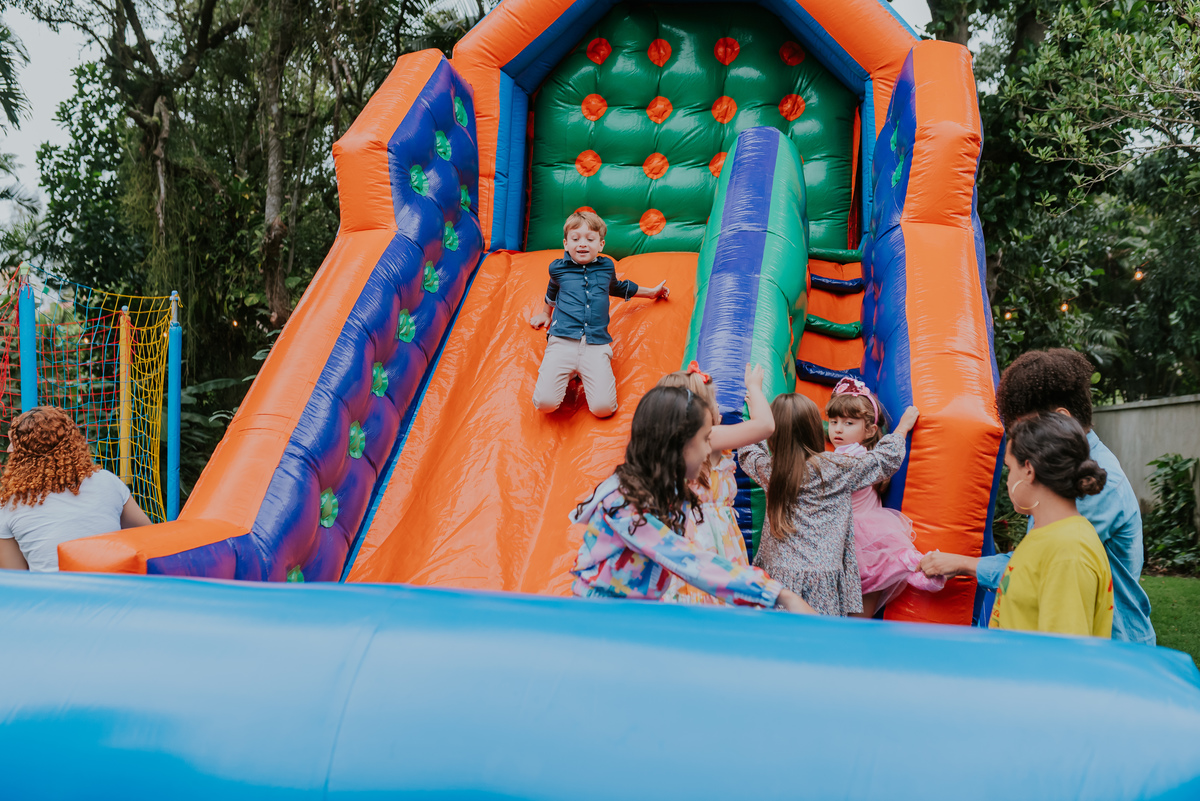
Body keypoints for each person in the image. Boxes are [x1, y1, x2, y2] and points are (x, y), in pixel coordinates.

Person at [919, 348, 1154, 644]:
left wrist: (965, 564)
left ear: (1059, 420)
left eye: (1025, 428)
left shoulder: (1080, 513)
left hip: (1114, 651)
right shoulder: (1057, 487)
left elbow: (1062, 642)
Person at [570, 385, 813, 613]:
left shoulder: (669, 491)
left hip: (636, 612)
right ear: (680, 444)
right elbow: (689, 560)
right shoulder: (627, 504)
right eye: (705, 438)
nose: (710, 449)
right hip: (601, 617)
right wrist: (778, 593)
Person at [740, 392, 919, 615]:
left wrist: (757, 411)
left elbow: (747, 450)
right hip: (821, 577)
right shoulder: (836, 468)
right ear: (816, 429)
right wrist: (902, 428)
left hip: (777, 576)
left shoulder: (769, 469)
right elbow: (886, 458)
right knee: (819, 639)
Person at [529, 210, 669, 417]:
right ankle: (568, 373)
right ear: (566, 244)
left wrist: (651, 293)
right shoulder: (557, 269)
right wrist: (545, 313)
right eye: (575, 239)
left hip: (595, 343)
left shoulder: (605, 267)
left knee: (604, 409)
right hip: (562, 340)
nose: (582, 244)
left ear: (601, 244)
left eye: (590, 239)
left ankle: (583, 372)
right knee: (544, 403)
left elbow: (616, 287)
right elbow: (552, 290)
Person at [657, 361, 775, 606]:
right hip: (711, 536)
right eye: (714, 401)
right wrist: (754, 388)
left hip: (684, 533)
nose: (719, 406)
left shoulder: (666, 443)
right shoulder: (709, 437)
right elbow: (766, 426)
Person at [986, 412, 1113, 636]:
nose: (1008, 479)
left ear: (1028, 470)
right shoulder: (1046, 535)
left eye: (1009, 468)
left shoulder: (1069, 551)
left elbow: (1063, 658)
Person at [826, 377, 944, 617]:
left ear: (869, 429)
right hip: (857, 542)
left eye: (848, 423)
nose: (838, 428)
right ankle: (914, 566)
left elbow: (885, 456)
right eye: (833, 421)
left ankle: (916, 566)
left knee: (854, 608)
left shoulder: (852, 459)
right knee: (861, 607)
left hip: (859, 538)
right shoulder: (850, 454)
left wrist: (903, 427)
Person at [0, 406, 152, 572]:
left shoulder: (10, 502)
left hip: (52, 595)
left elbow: (15, 575)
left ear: (25, 454)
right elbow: (148, 536)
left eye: (13, 444)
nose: (8, 450)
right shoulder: (107, 480)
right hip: (114, 589)